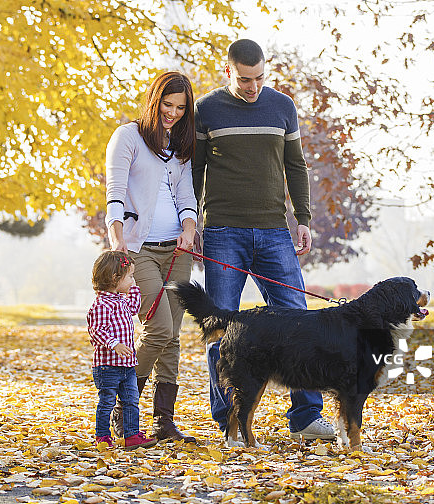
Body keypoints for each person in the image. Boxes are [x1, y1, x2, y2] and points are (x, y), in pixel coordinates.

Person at [192, 39, 336, 443]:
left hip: (274, 231)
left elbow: (296, 166)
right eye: (243, 79)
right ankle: (231, 424)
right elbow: (195, 171)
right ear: (228, 71)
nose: (252, 87)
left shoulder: (282, 106)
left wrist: (303, 219)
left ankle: (306, 417)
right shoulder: (207, 110)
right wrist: (193, 221)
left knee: (300, 321)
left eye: (258, 78)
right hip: (222, 232)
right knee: (221, 327)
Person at [105, 71, 198, 443]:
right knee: (158, 329)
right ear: (154, 100)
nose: (173, 113)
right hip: (138, 249)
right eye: (167, 104)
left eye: (180, 107)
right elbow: (114, 191)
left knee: (172, 336)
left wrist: (189, 228)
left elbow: (186, 195)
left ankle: (163, 422)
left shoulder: (179, 145)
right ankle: (122, 407)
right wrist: (116, 239)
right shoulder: (127, 136)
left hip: (176, 251)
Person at [87, 250, 158, 450]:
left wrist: (134, 288)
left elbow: (134, 308)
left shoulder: (120, 300)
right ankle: (102, 436)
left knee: (131, 401)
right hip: (107, 366)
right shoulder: (101, 305)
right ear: (114, 278)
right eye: (130, 276)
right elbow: (96, 331)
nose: (133, 279)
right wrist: (114, 344)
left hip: (127, 366)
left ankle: (131, 435)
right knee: (107, 402)